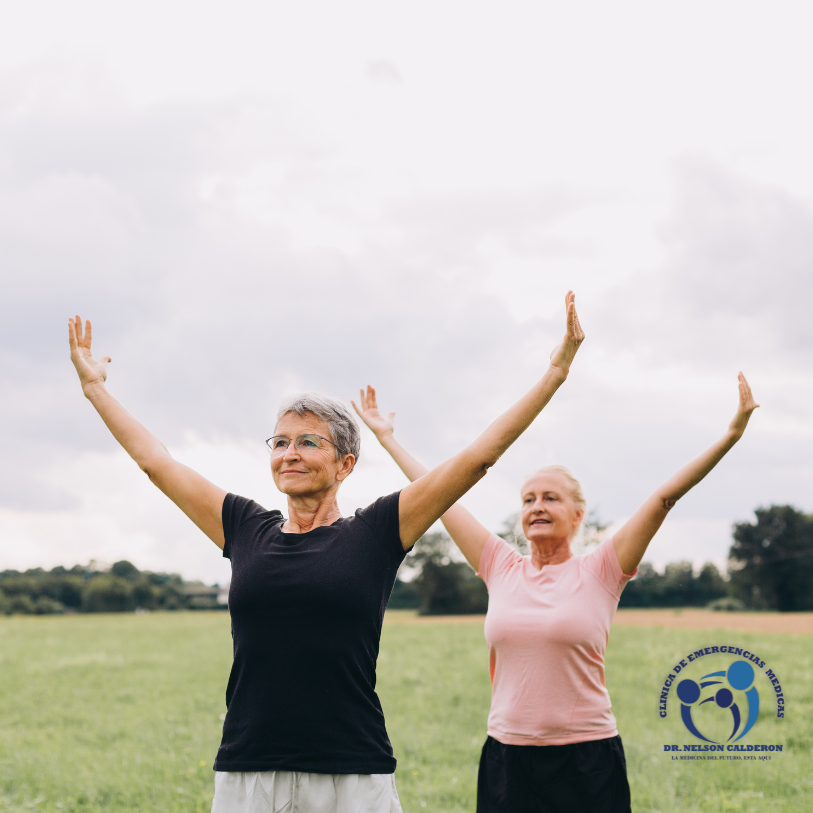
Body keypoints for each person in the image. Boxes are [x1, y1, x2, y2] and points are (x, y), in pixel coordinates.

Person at [66, 291, 585, 813]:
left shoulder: (378, 531)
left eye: (309, 442)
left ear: (345, 464)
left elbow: (477, 458)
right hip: (250, 771)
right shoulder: (245, 527)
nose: (289, 453)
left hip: (352, 773)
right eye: (280, 442)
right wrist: (95, 391)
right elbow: (158, 463)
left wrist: (554, 374)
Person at [354, 369, 759, 813]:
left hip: (587, 758)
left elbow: (664, 498)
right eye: (528, 499)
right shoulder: (499, 565)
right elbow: (440, 495)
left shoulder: (604, 568)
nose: (537, 507)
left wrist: (731, 434)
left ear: (578, 514)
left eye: (550, 497)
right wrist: (388, 438)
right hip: (508, 757)